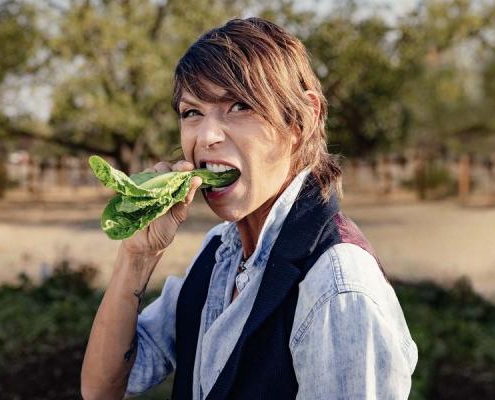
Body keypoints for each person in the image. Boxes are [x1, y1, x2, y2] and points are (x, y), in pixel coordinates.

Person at [80, 17, 417, 400]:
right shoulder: (218, 253)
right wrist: (138, 256)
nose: (206, 136)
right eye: (192, 112)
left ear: (301, 120)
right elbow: (102, 388)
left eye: (239, 106)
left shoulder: (337, 288)